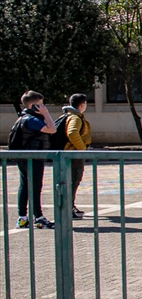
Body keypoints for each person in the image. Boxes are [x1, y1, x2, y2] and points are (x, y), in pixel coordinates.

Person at [9, 90, 57, 229]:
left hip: (25, 157)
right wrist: (46, 113)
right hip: (33, 158)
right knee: (35, 186)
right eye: (40, 104)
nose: (43, 107)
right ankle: (38, 217)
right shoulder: (31, 120)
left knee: (24, 185)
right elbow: (52, 129)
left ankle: (22, 218)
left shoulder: (23, 118)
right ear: (33, 106)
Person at [62, 93, 91, 220]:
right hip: (74, 154)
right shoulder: (75, 118)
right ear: (82, 104)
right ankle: (69, 208)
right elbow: (72, 132)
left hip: (70, 153)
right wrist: (82, 149)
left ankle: (70, 206)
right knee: (73, 180)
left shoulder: (68, 115)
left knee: (71, 181)